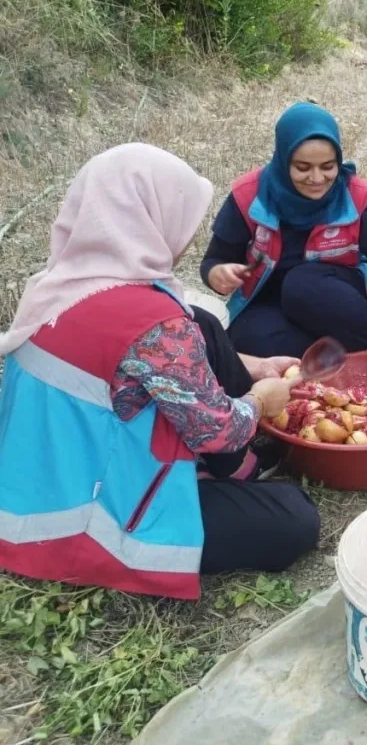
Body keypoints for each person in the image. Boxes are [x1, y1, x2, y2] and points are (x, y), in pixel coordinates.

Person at [0, 144, 321, 599]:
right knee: (295, 518)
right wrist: (261, 400)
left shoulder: (62, 284)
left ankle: (236, 472)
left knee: (203, 321)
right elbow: (220, 433)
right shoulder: (154, 326)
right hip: (86, 518)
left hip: (38, 481)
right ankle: (228, 476)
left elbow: (155, 364)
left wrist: (258, 365)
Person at [202, 102, 367, 363]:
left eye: (328, 166)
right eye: (303, 168)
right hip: (271, 304)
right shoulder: (249, 196)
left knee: (302, 284)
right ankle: (334, 366)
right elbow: (213, 261)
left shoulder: (357, 198)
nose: (317, 179)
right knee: (245, 339)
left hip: (337, 302)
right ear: (283, 161)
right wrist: (217, 275)